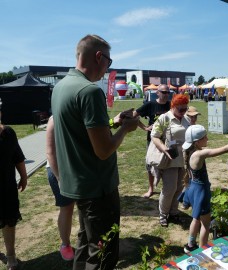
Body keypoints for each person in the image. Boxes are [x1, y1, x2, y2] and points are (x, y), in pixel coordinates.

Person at [51, 34, 139, 270]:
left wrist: (114, 122)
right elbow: (103, 150)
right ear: (99, 57)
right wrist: (126, 129)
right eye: (108, 62)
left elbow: (82, 131)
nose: (107, 69)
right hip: (98, 188)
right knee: (102, 254)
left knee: (85, 243)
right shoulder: (90, 92)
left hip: (78, 185)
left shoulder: (61, 87)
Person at [181, 125, 228, 253]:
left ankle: (190, 245)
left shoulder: (188, 151)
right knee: (205, 223)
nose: (208, 139)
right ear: (197, 141)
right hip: (200, 191)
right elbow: (225, 149)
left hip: (192, 188)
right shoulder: (199, 154)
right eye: (205, 137)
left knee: (195, 218)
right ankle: (202, 250)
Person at [151, 94, 190, 227]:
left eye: (185, 109)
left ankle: (173, 213)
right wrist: (164, 149)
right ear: (173, 106)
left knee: (179, 188)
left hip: (184, 158)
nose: (183, 112)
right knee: (169, 188)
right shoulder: (165, 118)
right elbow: (154, 136)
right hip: (170, 158)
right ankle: (163, 214)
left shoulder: (185, 119)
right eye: (181, 109)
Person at [0, 101, 27, 270]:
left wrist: (24, 176)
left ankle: (11, 256)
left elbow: (17, 156)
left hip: (6, 188)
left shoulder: (8, 133)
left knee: (9, 222)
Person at [46, 116, 75, 261]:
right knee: (67, 207)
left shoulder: (80, 114)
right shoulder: (54, 118)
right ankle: (65, 245)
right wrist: (59, 177)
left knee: (85, 205)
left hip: (78, 168)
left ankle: (87, 239)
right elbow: (50, 152)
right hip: (59, 170)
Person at [133, 84, 171, 198]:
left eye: (167, 92)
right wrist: (144, 127)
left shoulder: (171, 105)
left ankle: (167, 188)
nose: (166, 95)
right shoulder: (150, 105)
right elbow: (134, 115)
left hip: (168, 140)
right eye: (163, 92)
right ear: (157, 93)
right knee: (150, 164)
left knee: (168, 164)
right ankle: (151, 189)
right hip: (153, 140)